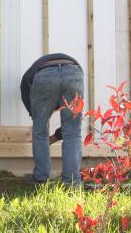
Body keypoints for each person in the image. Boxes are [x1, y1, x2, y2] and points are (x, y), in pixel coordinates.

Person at [20, 53, 84, 186]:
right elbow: (69, 129)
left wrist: (37, 118)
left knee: (40, 131)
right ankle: (71, 183)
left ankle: (40, 180)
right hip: (74, 72)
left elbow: (39, 123)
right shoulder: (65, 93)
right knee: (73, 133)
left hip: (45, 75)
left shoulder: (28, 83)